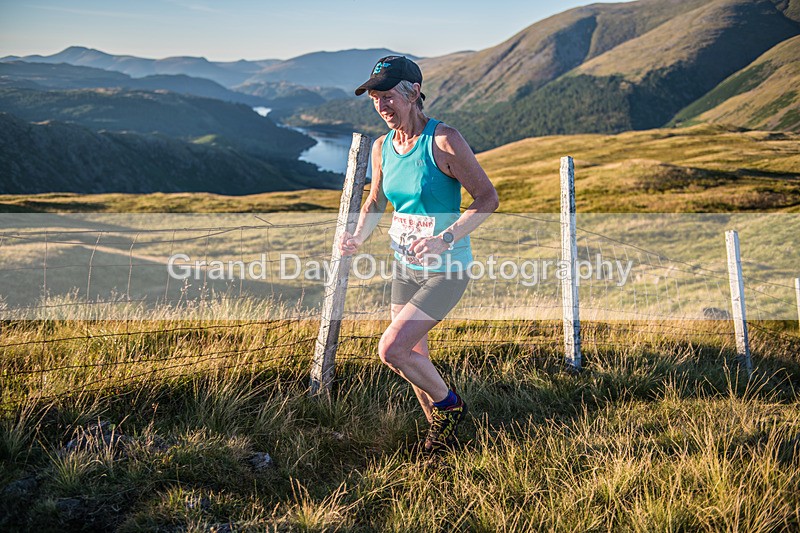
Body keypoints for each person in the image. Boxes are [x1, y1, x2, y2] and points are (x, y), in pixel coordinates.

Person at [340, 55, 499, 453]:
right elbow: (376, 201)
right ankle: (440, 436)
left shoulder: (444, 140)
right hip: (405, 267)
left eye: (388, 96)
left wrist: (444, 238)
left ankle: (451, 406)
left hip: (447, 269)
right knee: (412, 356)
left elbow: (487, 198)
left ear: (413, 93)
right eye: (375, 98)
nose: (382, 105)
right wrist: (357, 237)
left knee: (391, 349)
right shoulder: (382, 147)